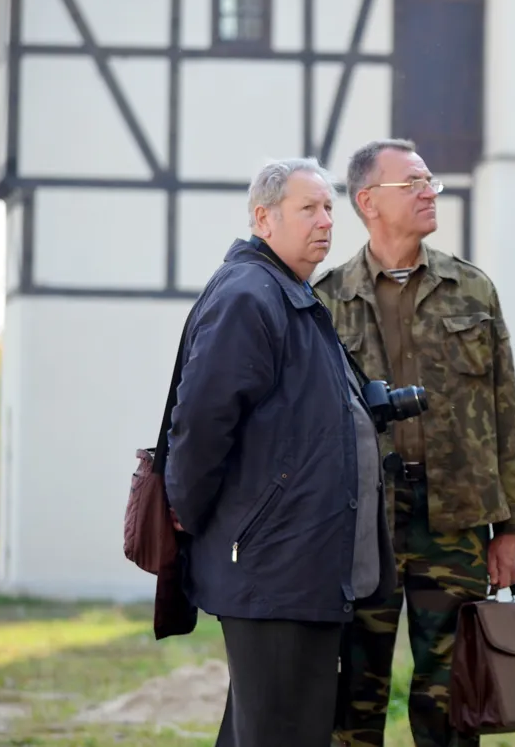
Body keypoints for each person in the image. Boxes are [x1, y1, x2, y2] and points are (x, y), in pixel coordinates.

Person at [313, 138, 515, 747]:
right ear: (368, 201)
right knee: (354, 692)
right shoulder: (326, 301)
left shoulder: (472, 290)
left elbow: (504, 411)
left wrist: (511, 525)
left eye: (429, 180)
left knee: (452, 695)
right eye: (410, 182)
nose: (427, 191)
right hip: (362, 524)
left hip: (456, 517)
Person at [164, 157, 394, 747]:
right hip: (271, 563)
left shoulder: (289, 293)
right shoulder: (250, 295)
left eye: (328, 208)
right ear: (264, 218)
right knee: (278, 730)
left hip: (298, 563)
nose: (325, 222)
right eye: (308, 208)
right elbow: (200, 424)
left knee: (268, 728)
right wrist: (188, 515)